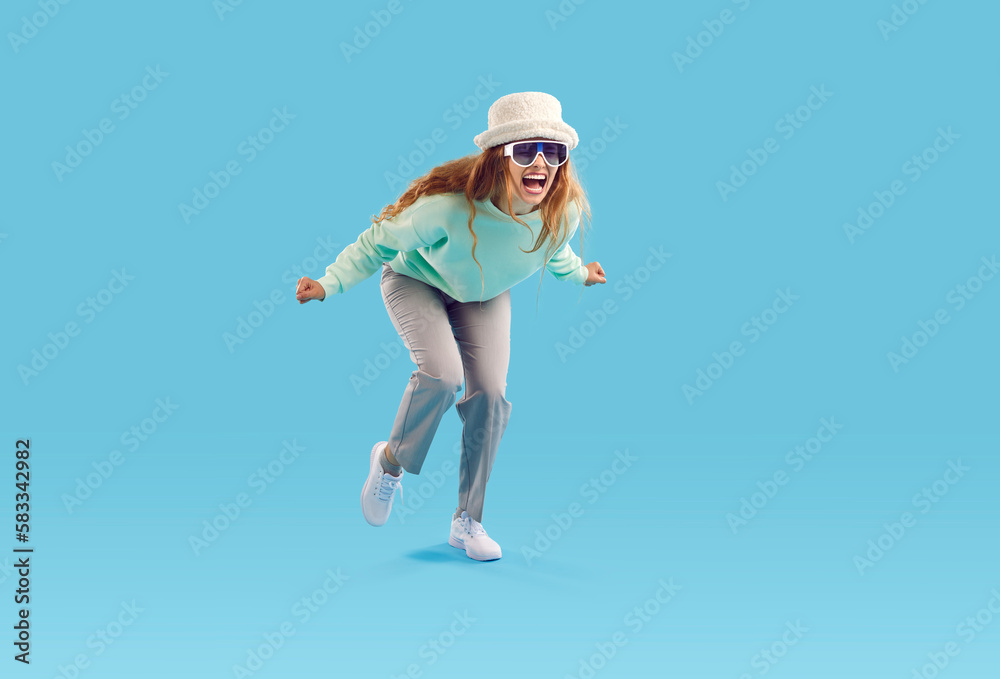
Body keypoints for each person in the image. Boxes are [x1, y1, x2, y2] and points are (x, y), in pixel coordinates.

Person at [295, 91, 606, 561]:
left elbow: (555, 252)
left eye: (553, 151)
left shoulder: (562, 214)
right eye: (525, 150)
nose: (540, 161)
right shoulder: (447, 209)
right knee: (443, 376)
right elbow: (378, 242)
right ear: (499, 159)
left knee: (492, 397)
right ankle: (389, 461)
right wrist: (328, 283)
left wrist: (581, 273)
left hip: (482, 296)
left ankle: (468, 521)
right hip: (415, 279)